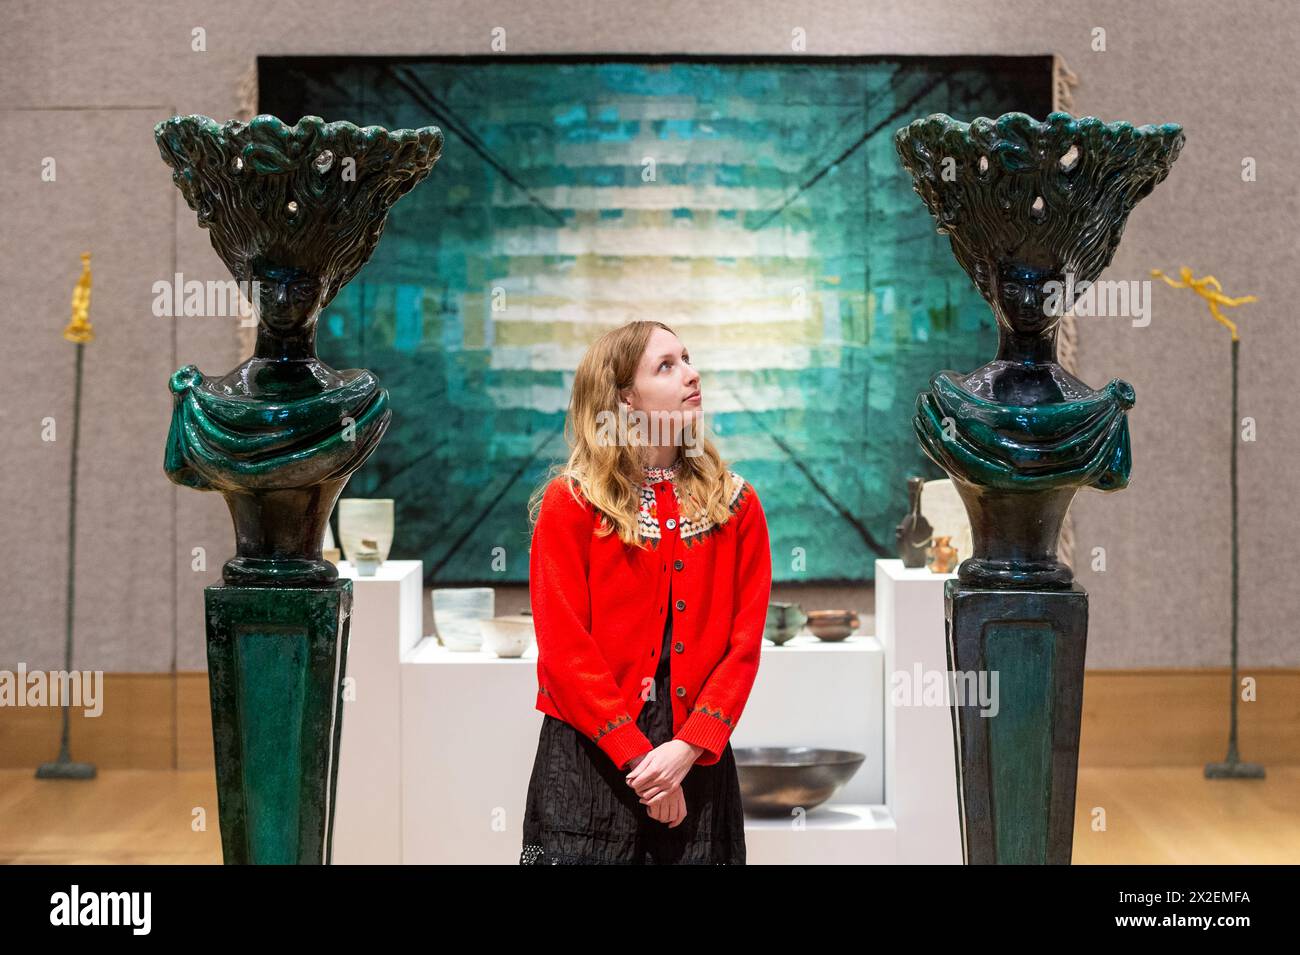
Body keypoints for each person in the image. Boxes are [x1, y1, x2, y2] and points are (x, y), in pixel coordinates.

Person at [520, 320, 772, 864]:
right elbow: (565, 653)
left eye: (688, 358)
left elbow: (743, 647)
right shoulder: (572, 503)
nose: (692, 373)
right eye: (668, 365)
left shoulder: (738, 506)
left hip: (696, 758)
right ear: (625, 399)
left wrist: (684, 751)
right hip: (591, 758)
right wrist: (641, 760)